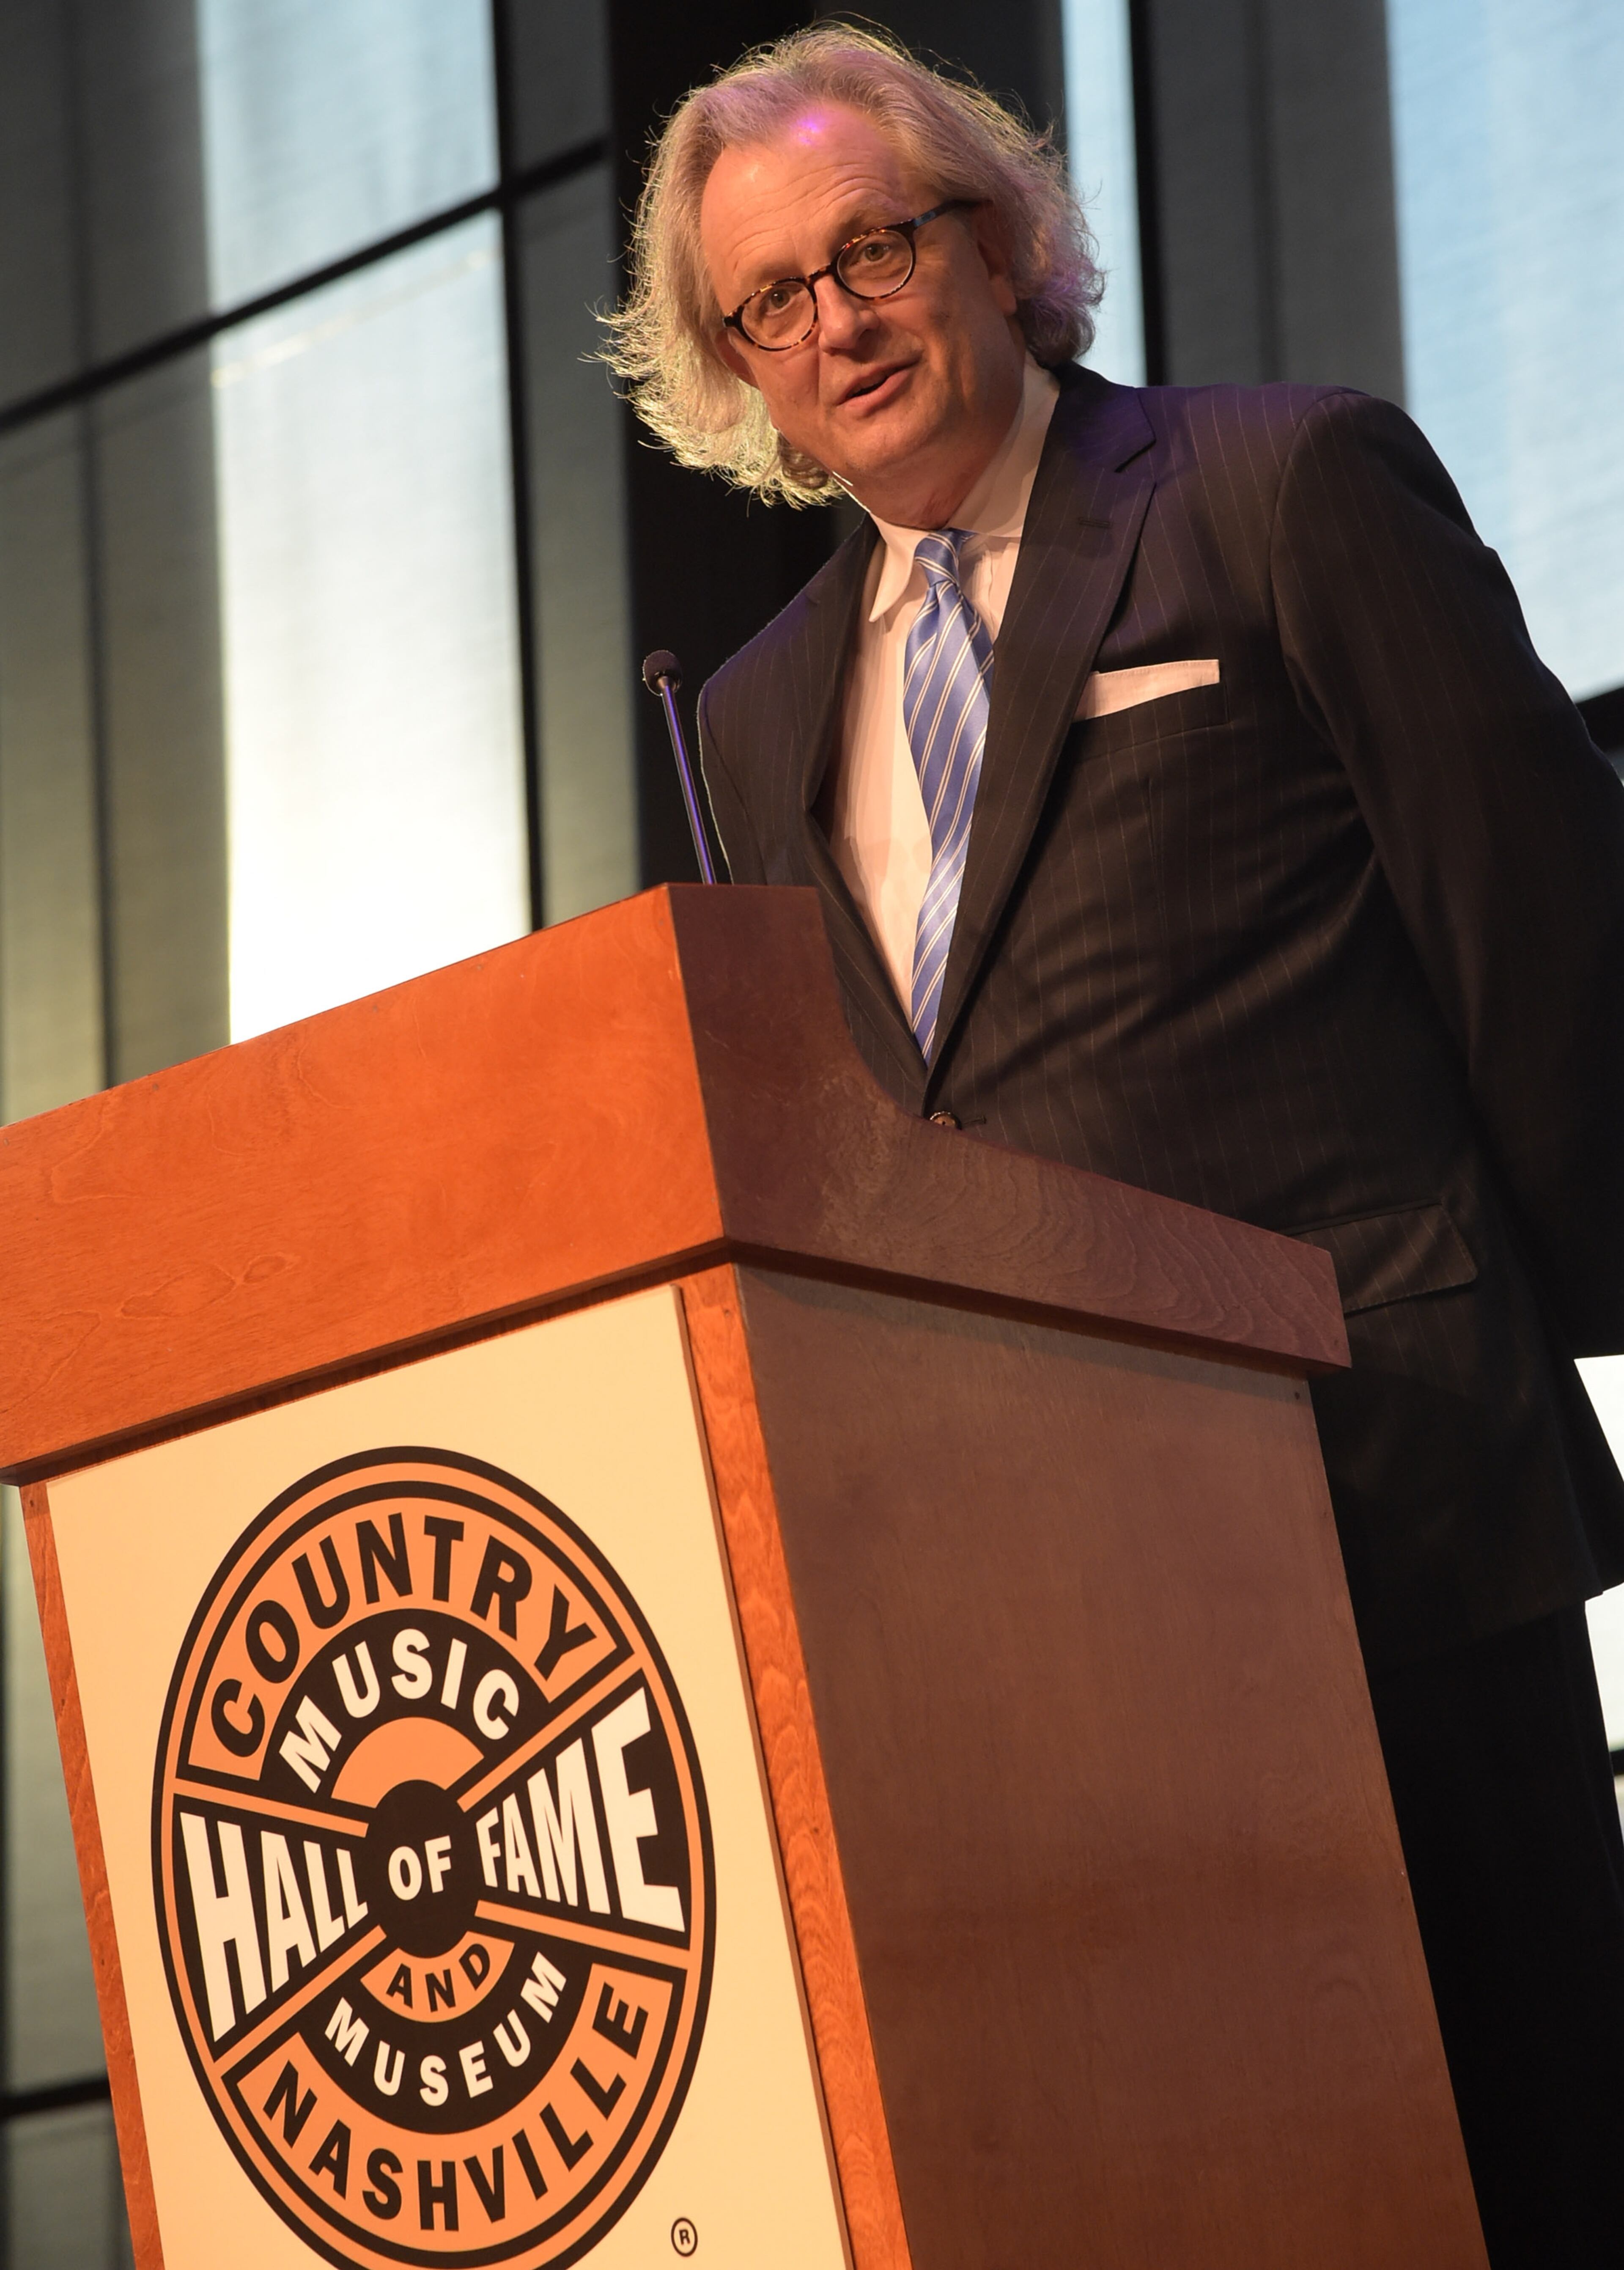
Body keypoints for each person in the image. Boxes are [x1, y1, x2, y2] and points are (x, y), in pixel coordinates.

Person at [604, 25, 1624, 2263]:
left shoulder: (1284, 487)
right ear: (736, 377)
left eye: (869, 249)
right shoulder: (760, 712)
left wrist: (1563, 1329)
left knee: (1525, 2162)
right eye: (769, 301)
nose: (837, 323)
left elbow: (1540, 916)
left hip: (1388, 1502)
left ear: (993, 241)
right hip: (1021, 1604)